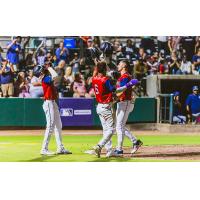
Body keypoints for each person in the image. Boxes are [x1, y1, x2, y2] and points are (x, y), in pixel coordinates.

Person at [86, 61, 138, 158]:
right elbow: (116, 91)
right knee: (111, 130)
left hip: (99, 106)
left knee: (106, 129)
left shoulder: (94, 79)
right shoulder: (105, 80)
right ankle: (99, 146)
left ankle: (109, 150)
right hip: (106, 107)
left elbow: (98, 75)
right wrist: (128, 85)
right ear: (104, 69)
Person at [40, 61, 72, 155]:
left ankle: (60, 148)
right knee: (50, 126)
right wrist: (49, 67)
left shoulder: (47, 77)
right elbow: (55, 76)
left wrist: (49, 67)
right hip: (49, 103)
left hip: (53, 103)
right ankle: (44, 148)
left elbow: (54, 77)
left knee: (58, 125)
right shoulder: (45, 78)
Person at [114, 60, 143, 155]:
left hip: (125, 102)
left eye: (119, 63)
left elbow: (122, 91)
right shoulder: (122, 76)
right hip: (122, 102)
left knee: (119, 126)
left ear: (124, 66)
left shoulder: (126, 76)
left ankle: (119, 149)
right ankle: (135, 141)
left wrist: (113, 97)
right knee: (119, 126)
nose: (118, 65)